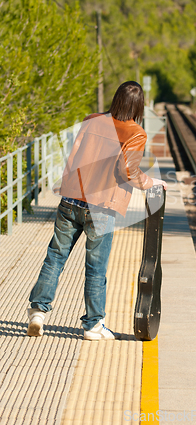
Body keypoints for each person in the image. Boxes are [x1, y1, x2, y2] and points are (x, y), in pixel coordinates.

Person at [27, 81, 167, 340]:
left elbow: (74, 155)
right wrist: (151, 183)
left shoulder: (92, 121)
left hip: (71, 200)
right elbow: (128, 171)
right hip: (101, 208)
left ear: (116, 99)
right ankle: (93, 325)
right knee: (95, 268)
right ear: (138, 106)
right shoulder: (136, 133)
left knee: (55, 257)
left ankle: (38, 312)